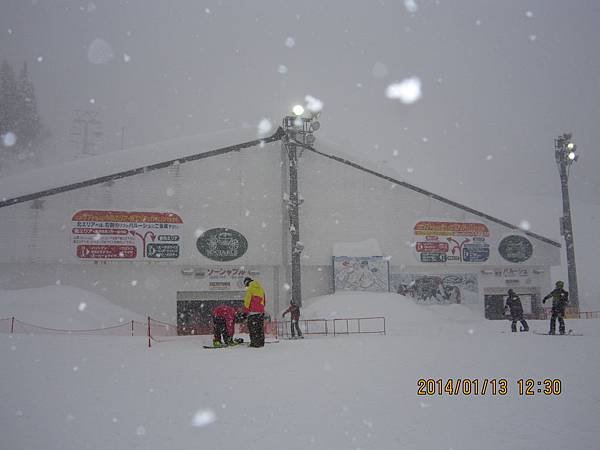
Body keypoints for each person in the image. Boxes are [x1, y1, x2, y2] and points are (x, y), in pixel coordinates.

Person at [243, 277, 266, 347]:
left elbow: (247, 300)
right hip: (261, 312)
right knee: (260, 328)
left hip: (252, 312)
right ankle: (261, 342)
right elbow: (264, 300)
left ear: (247, 282)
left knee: (253, 329)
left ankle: (254, 343)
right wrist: (261, 309)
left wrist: (245, 311)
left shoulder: (250, 288)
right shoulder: (261, 288)